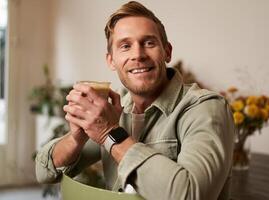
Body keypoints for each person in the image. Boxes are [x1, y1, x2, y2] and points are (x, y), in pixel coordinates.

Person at [35, 1, 235, 200]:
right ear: (111, 60)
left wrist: (109, 134)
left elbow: (191, 195)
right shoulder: (115, 111)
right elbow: (44, 171)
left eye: (149, 43)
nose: (138, 55)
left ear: (167, 51)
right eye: (125, 46)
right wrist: (76, 138)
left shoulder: (206, 108)